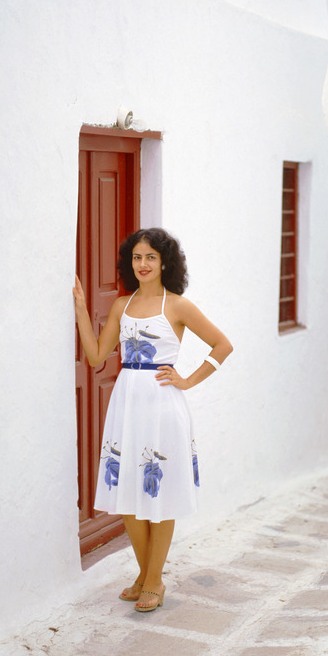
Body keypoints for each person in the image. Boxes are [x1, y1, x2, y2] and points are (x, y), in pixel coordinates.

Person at [73, 227, 233, 612]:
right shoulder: (121, 306)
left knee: (159, 493)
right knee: (128, 491)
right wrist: (80, 309)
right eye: (136, 257)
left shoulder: (177, 306)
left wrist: (187, 380)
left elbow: (222, 345)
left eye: (150, 257)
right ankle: (148, 577)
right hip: (127, 403)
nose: (142, 264)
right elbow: (96, 357)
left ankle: (152, 579)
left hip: (162, 406)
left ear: (164, 263)